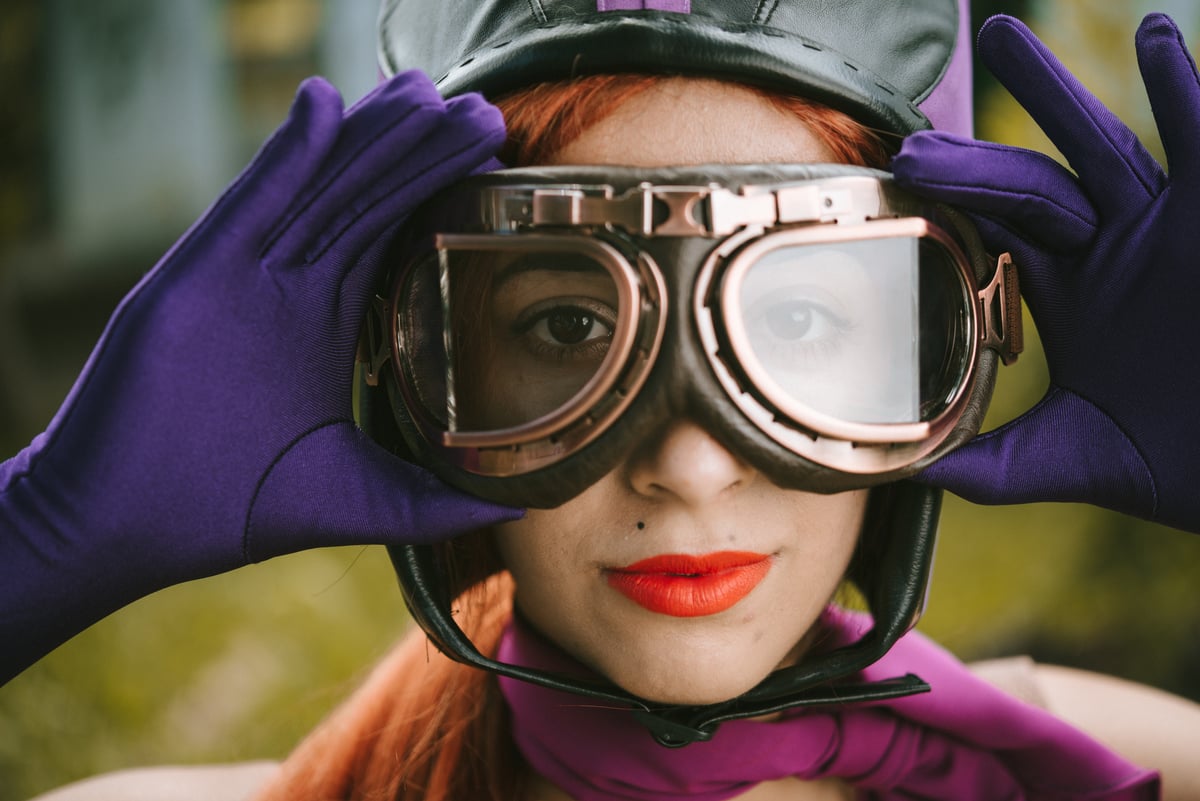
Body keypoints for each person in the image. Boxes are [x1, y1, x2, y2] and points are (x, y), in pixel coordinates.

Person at [8, 1, 1200, 799]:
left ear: (946, 349)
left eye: (797, 321)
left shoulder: (1088, 762)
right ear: (420, 372)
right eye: (571, 327)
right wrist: (40, 543)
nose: (689, 464)